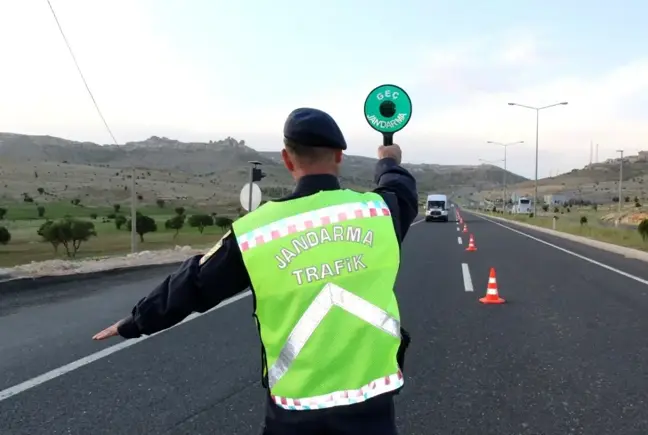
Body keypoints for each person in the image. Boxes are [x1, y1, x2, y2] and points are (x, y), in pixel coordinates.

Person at [93, 107, 419, 435]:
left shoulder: (255, 232)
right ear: (339, 156)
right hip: (371, 403)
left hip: (296, 409)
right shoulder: (379, 212)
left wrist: (135, 322)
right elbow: (400, 189)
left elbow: (193, 285)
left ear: (287, 160)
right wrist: (388, 161)